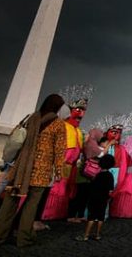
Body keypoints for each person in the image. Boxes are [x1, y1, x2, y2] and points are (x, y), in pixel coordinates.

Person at [0, 94, 67, 248]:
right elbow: (59, 150)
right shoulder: (58, 124)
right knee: (31, 206)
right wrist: (58, 172)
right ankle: (24, 238)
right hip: (41, 172)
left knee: (9, 204)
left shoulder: (30, 118)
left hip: (20, 169)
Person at [40, 86, 92, 221]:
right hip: (59, 166)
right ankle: (45, 214)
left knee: (64, 191)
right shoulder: (61, 126)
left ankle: (59, 213)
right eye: (79, 109)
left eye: (84, 111)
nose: (81, 114)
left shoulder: (78, 131)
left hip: (71, 168)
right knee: (55, 190)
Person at [76, 154, 115, 241]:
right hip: (104, 199)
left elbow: (92, 187)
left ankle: (86, 235)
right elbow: (110, 190)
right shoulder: (110, 176)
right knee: (101, 217)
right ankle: (97, 235)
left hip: (94, 198)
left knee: (91, 217)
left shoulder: (97, 175)